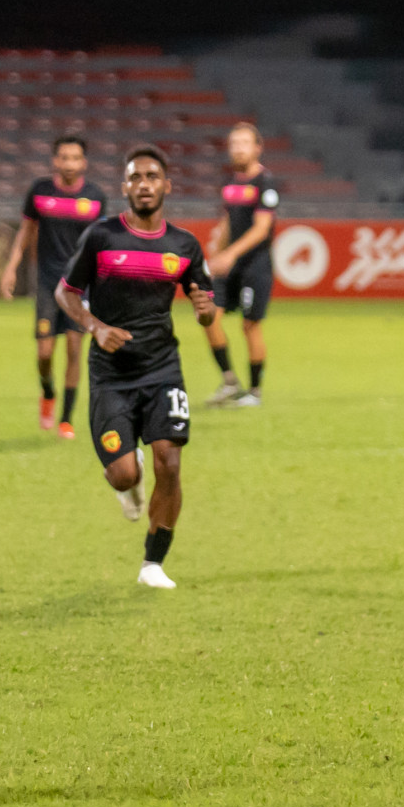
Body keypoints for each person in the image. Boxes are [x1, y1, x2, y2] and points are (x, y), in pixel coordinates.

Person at [54, 145, 217, 589]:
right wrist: (94, 325)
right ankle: (131, 479)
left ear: (166, 185)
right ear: (125, 187)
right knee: (123, 473)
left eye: (152, 176)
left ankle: (153, 564)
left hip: (163, 367)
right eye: (135, 177)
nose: (144, 184)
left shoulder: (184, 246)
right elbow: (65, 292)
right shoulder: (102, 237)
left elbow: (205, 306)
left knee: (170, 461)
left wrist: (205, 312)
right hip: (110, 373)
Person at [0, 134, 107, 438]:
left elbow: (101, 244)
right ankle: (48, 392)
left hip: (80, 286)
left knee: (74, 350)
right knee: (45, 353)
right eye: (64, 158)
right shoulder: (40, 191)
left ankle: (66, 419)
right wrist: (11, 266)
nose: (69, 163)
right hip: (48, 284)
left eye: (75, 158)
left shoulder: (96, 197)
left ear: (84, 162)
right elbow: (25, 232)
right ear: (55, 161)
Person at [202, 122, 279, 407]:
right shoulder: (231, 184)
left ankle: (254, 392)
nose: (238, 149)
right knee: (208, 315)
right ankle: (229, 381)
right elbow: (227, 222)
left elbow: (261, 229)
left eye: (244, 143)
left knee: (250, 326)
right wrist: (215, 254)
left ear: (258, 148)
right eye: (234, 143)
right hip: (229, 263)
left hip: (255, 265)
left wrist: (230, 254)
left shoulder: (265, 183)